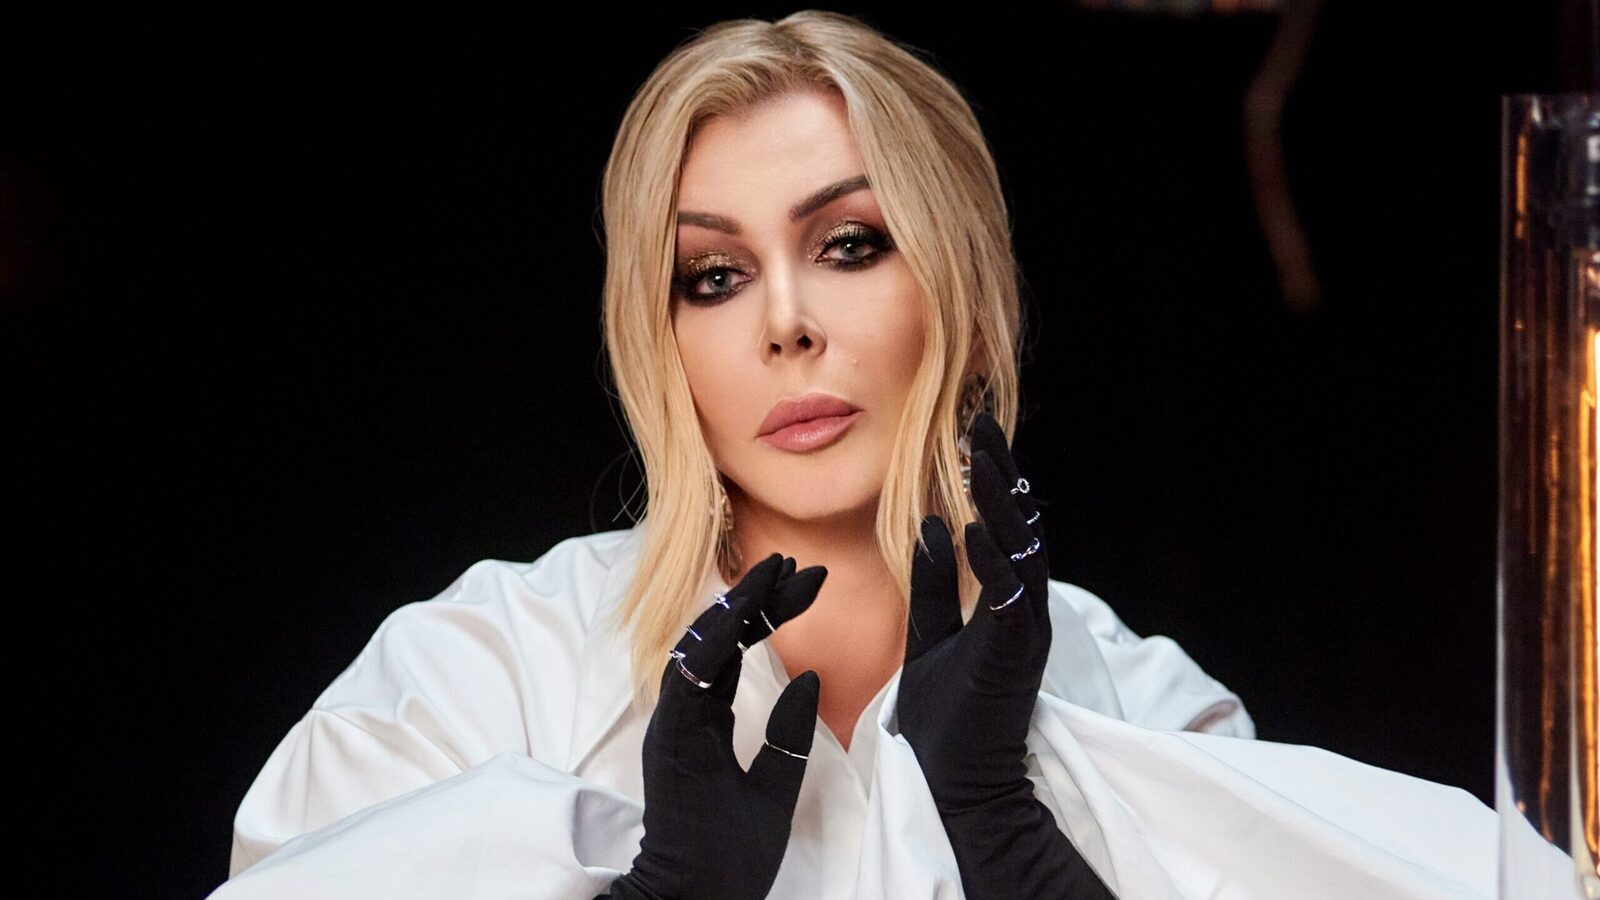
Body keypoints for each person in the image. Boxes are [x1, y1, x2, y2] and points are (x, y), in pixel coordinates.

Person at [211, 10, 1576, 900]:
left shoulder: (1138, 705)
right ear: (657, 335)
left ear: (956, 292)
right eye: (712, 276)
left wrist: (1012, 842)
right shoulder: (474, 678)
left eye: (849, 244)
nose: (786, 323)